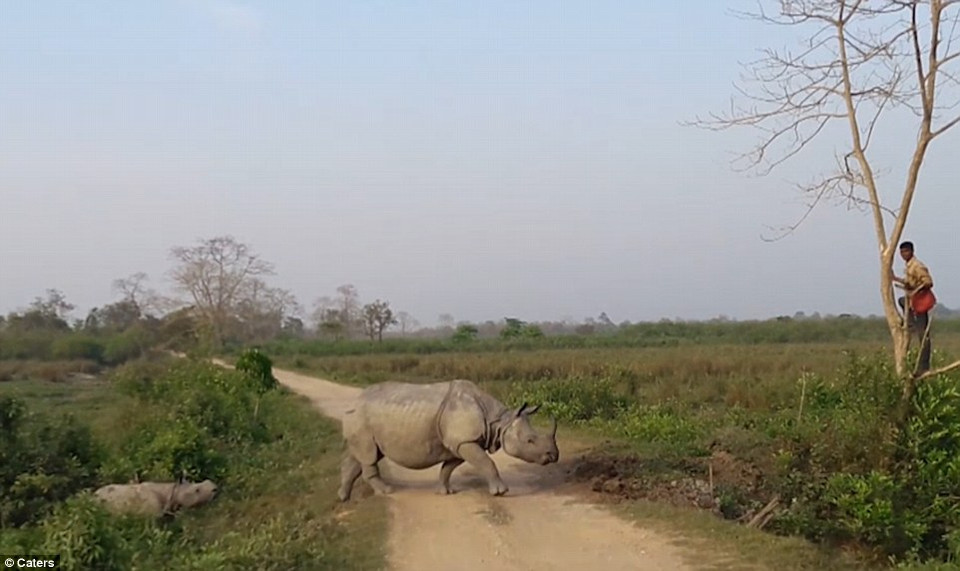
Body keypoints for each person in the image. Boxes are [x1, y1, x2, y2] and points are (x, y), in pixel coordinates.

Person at [892, 240, 934, 374]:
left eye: (906, 251)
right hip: (913, 301)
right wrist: (896, 279)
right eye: (902, 252)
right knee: (902, 301)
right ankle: (910, 324)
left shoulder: (917, 265)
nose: (903, 254)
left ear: (911, 251)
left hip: (920, 301)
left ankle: (924, 367)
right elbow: (909, 282)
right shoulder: (909, 266)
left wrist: (917, 289)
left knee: (923, 335)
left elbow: (928, 281)